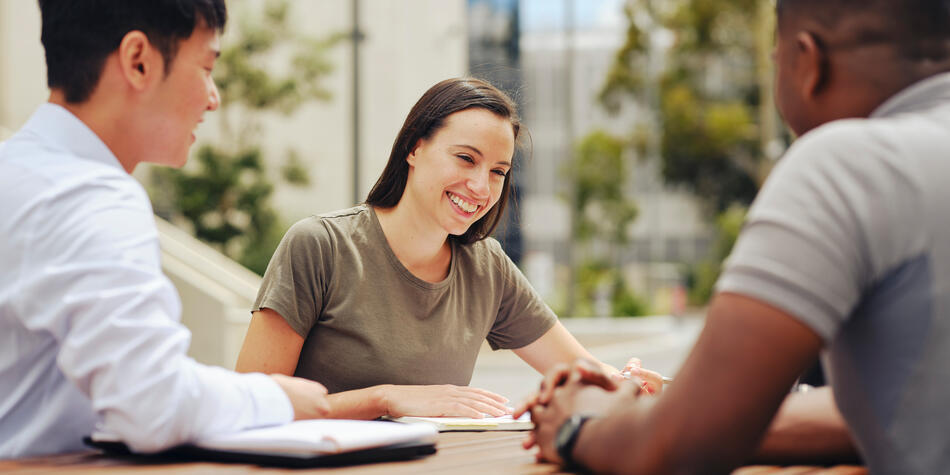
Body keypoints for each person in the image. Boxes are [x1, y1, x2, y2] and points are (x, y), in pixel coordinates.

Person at [517, 0, 950, 473]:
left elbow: (682, 448)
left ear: (807, 62)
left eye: (774, 59)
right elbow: (886, 411)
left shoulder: (852, 163)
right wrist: (683, 408)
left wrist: (579, 428)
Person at [0, 0, 331, 459]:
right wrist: (278, 397)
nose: (213, 97)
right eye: (206, 66)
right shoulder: (91, 196)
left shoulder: (15, 173)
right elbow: (151, 405)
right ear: (138, 61)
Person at [234, 77, 664, 420]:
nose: (480, 187)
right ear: (414, 148)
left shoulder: (486, 267)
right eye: (465, 159)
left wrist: (627, 382)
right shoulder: (320, 246)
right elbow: (249, 402)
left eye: (498, 171)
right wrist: (385, 399)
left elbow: (578, 369)